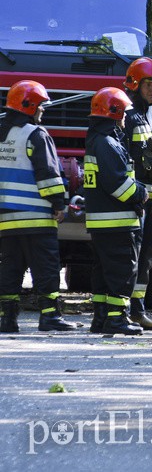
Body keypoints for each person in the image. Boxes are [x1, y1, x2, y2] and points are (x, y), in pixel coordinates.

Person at [0, 80, 77, 332]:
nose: (43, 111)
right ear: (28, 105)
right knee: (46, 267)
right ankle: (50, 316)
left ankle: (7, 319)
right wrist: (59, 203)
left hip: (6, 220)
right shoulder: (36, 135)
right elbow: (49, 175)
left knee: (10, 268)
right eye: (40, 106)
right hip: (36, 217)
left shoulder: (2, 133)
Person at [84, 87, 148, 335]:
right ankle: (116, 319)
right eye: (122, 114)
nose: (125, 119)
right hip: (116, 222)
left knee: (102, 271)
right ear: (113, 113)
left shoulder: (96, 140)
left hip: (101, 222)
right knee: (122, 270)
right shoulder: (108, 144)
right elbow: (118, 185)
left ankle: (100, 318)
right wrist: (141, 193)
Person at [122, 57, 152, 330]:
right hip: (134, 201)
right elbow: (124, 160)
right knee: (131, 254)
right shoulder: (127, 116)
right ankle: (123, 308)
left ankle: (138, 308)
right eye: (149, 84)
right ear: (135, 84)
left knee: (149, 252)